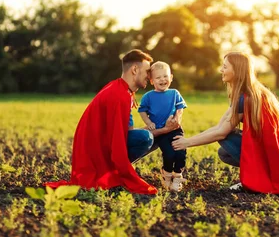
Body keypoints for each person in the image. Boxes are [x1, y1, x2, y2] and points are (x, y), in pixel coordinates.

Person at [172, 52, 279, 195]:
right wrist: (187, 141)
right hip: (273, 152)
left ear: (237, 71)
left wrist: (187, 143)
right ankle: (259, 177)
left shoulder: (245, 98)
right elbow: (219, 126)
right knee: (224, 153)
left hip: (271, 154)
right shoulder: (249, 92)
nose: (221, 70)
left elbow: (221, 133)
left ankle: (256, 180)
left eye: (225, 67)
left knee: (226, 138)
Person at [45, 50, 179, 194]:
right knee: (146, 137)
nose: (149, 76)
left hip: (101, 146)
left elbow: (127, 131)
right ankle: (114, 173)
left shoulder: (123, 90)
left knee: (155, 137)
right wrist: (164, 130)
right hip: (95, 154)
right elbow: (119, 140)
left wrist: (161, 130)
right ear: (134, 69)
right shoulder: (119, 95)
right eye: (147, 71)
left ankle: (120, 170)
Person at [138, 61, 188, 192]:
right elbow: (142, 111)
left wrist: (177, 118)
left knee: (181, 151)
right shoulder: (148, 97)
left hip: (175, 128)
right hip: (161, 131)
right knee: (169, 153)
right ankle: (166, 174)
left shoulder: (174, 93)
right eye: (158, 77)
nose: (162, 80)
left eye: (165, 76)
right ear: (152, 81)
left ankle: (177, 176)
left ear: (171, 77)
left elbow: (180, 108)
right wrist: (149, 123)